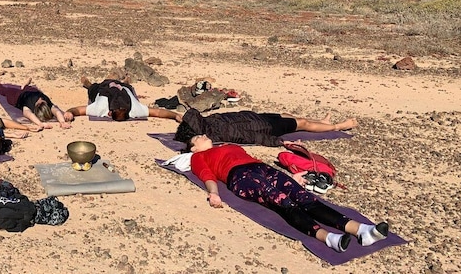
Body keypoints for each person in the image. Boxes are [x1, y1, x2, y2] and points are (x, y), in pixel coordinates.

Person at [187, 134, 389, 253]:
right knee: (283, 202)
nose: (202, 136)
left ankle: (360, 230)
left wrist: (292, 175)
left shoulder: (229, 145)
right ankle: (328, 238)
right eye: (197, 138)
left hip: (261, 168)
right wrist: (214, 193)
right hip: (239, 177)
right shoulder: (198, 157)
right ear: (194, 149)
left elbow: (252, 157)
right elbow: (207, 175)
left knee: (304, 197)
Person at [175, 108, 358, 147]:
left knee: (288, 116)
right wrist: (279, 142)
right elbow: (251, 138)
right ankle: (338, 126)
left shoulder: (209, 124)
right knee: (302, 124)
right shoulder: (215, 128)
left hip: (254, 118)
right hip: (264, 127)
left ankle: (322, 121)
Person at [67, 76, 183, 122]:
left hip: (109, 88)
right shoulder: (134, 109)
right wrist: (175, 115)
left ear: (109, 113)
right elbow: (157, 112)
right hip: (118, 88)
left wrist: (70, 113)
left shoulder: (100, 108)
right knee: (95, 87)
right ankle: (88, 84)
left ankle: (89, 85)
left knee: (94, 89)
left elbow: (77, 110)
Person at [0, 77, 73, 129]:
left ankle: (24, 86)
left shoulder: (30, 106)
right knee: (5, 90)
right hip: (18, 96)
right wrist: (40, 124)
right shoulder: (35, 105)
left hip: (28, 93)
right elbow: (57, 111)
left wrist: (62, 122)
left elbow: (56, 112)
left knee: (9, 91)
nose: (40, 99)